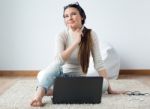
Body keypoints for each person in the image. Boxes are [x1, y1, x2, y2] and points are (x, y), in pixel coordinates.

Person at [30, 2, 124, 107]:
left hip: (80, 79)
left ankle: (55, 91)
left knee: (103, 84)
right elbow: (58, 61)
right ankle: (38, 97)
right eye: (66, 16)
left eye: (73, 14)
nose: (69, 18)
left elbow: (98, 63)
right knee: (51, 69)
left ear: (82, 16)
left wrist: (109, 88)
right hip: (60, 77)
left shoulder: (91, 34)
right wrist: (76, 42)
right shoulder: (62, 35)